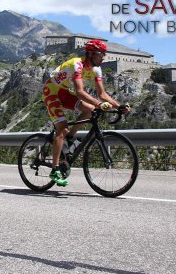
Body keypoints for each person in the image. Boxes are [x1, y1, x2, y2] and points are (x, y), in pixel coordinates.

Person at [42, 39, 130, 187]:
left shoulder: (96, 69)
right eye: (100, 54)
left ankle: (70, 137)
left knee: (91, 110)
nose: (103, 57)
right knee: (62, 128)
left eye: (103, 54)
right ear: (90, 54)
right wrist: (100, 104)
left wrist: (118, 106)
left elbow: (102, 94)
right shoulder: (77, 64)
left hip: (64, 92)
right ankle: (55, 169)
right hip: (51, 92)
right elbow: (80, 92)